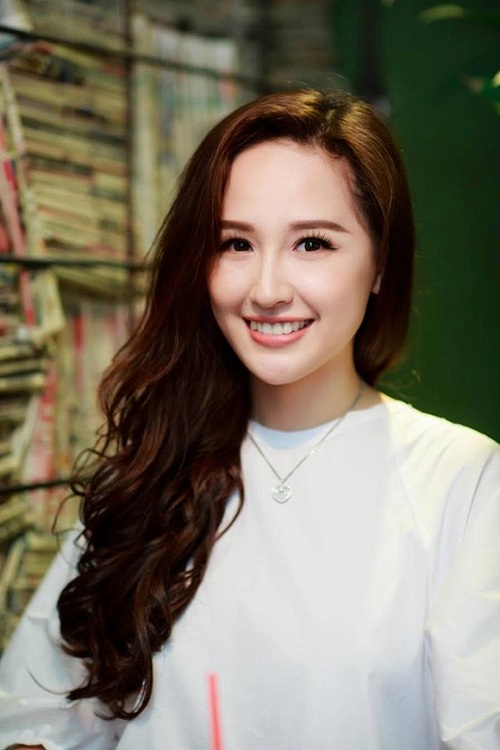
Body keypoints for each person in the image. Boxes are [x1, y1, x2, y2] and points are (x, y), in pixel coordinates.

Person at [0, 88, 499, 750]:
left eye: (312, 243)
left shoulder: (462, 481)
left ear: (380, 262)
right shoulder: (154, 466)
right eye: (236, 243)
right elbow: (36, 714)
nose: (266, 289)